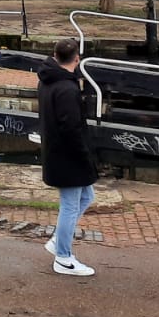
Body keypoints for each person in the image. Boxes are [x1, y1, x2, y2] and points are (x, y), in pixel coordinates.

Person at [37, 36, 100, 277]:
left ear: (55, 55)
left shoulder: (48, 81)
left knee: (87, 196)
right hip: (67, 156)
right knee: (71, 205)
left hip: (56, 151)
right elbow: (71, 128)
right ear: (77, 59)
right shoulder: (67, 88)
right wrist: (85, 157)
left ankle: (58, 241)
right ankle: (63, 256)